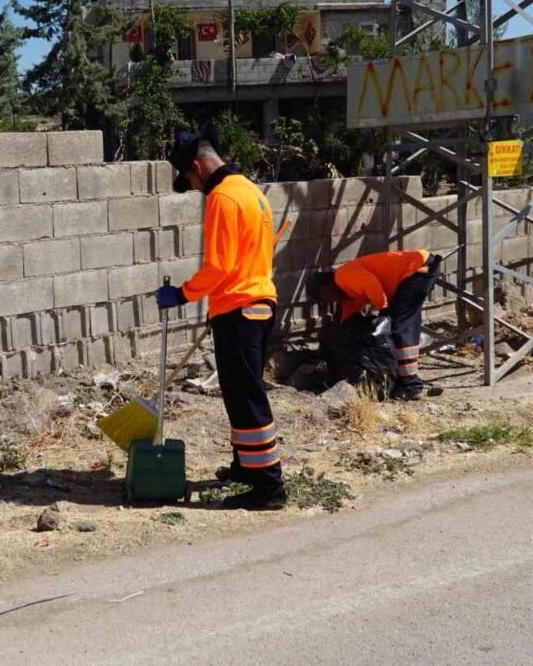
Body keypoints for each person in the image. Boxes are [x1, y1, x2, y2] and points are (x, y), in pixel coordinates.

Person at [156, 125, 285, 511]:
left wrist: (182, 294)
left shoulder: (223, 198)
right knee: (240, 394)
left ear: (197, 166)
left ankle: (268, 487)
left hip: (240, 309)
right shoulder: (251, 192)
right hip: (255, 303)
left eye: (191, 180)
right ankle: (247, 466)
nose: (195, 188)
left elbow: (218, 266)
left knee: (246, 399)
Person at [308, 250, 442, 400]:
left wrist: (383, 316)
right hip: (416, 271)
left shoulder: (344, 276)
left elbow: (374, 287)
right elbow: (348, 317)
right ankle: (403, 379)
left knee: (398, 328)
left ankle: (411, 386)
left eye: (325, 298)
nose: (328, 302)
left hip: (417, 268)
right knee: (404, 326)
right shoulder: (346, 292)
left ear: (327, 288)